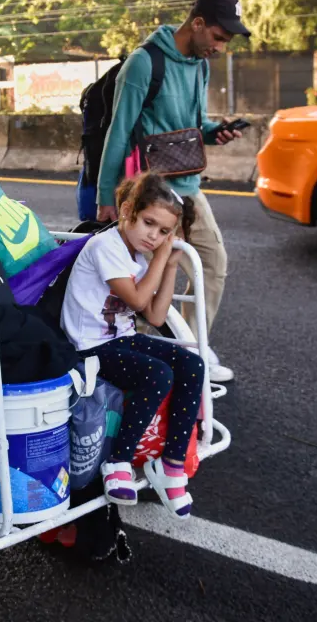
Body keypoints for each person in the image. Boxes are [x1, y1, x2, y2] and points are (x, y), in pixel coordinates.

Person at [94, 0, 250, 383]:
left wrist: (218, 133)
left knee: (213, 262)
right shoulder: (145, 63)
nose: (219, 47)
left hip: (188, 186)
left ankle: (194, 345)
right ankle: (144, 357)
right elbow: (118, 132)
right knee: (153, 277)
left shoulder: (200, 64)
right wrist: (106, 197)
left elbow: (192, 127)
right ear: (197, 23)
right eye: (217, 37)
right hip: (150, 193)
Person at [62, 172, 206, 519]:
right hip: (88, 346)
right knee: (156, 374)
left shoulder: (143, 252)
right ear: (127, 211)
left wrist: (170, 263)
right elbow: (142, 299)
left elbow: (156, 316)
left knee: (192, 364)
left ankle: (171, 465)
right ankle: (118, 462)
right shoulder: (106, 247)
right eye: (148, 223)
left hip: (119, 338)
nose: (153, 236)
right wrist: (161, 256)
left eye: (163, 232)